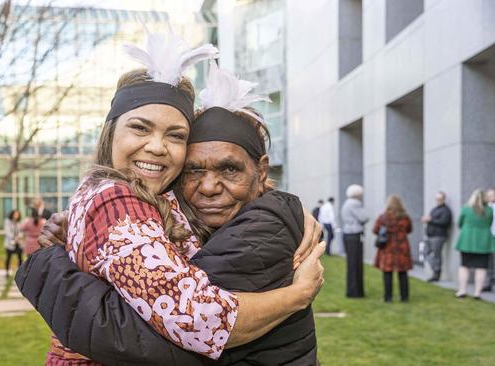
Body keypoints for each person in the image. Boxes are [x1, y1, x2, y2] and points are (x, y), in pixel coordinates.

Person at [17, 38, 324, 365]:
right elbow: (199, 320)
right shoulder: (117, 200)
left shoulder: (154, 198)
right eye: (140, 128)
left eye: (175, 135)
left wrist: (289, 208)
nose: (157, 147)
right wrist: (298, 295)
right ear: (111, 132)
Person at [454, 189, 495, 300]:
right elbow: (490, 223)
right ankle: (477, 292)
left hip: (467, 241)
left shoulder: (466, 209)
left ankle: (462, 290)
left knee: (464, 266)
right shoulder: (489, 210)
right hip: (483, 242)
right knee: (481, 268)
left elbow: (460, 223)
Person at [373, 195, 413, 302]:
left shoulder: (383, 217)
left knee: (387, 272)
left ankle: (388, 297)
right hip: (402, 247)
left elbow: (375, 230)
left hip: (388, 248)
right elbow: (409, 229)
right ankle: (404, 297)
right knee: (403, 272)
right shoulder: (405, 217)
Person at [341, 184, 370, 298]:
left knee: (352, 264)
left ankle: (354, 291)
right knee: (355, 264)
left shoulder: (347, 203)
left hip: (348, 235)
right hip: (354, 235)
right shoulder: (355, 204)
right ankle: (356, 292)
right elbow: (364, 217)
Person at [421, 191, 453, 282]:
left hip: (439, 236)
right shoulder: (434, 209)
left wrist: (430, 220)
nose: (438, 201)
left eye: (440, 199)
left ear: (443, 199)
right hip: (430, 235)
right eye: (437, 199)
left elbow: (445, 222)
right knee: (424, 253)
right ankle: (436, 269)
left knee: (436, 255)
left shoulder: (446, 210)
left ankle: (436, 273)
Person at [4, 209, 24, 277]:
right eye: (15, 214)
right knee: (8, 257)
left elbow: (21, 231)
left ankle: (20, 272)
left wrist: (19, 237)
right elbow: (7, 232)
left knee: (20, 258)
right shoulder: (7, 221)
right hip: (10, 243)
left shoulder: (20, 222)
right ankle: (7, 271)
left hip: (18, 243)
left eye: (17, 214)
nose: (16, 216)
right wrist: (14, 238)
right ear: (12, 214)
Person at [483, 187, 495, 292]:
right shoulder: (486, 208)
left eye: (492, 195)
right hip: (489, 237)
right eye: (489, 195)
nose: (490, 197)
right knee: (489, 261)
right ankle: (488, 283)